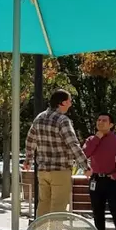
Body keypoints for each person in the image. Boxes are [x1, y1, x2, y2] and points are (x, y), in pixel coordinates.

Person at [24, 89, 89, 217]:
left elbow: (30, 140)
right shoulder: (63, 120)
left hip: (43, 170)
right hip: (60, 170)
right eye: (70, 101)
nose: (71, 103)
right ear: (63, 103)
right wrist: (85, 166)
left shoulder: (39, 117)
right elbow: (72, 144)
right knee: (58, 207)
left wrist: (28, 160)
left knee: (43, 205)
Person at [83, 112, 116, 230]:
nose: (100, 122)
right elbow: (84, 154)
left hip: (112, 181)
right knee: (97, 213)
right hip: (96, 180)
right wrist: (97, 138)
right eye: (98, 119)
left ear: (111, 124)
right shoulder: (91, 139)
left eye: (104, 120)